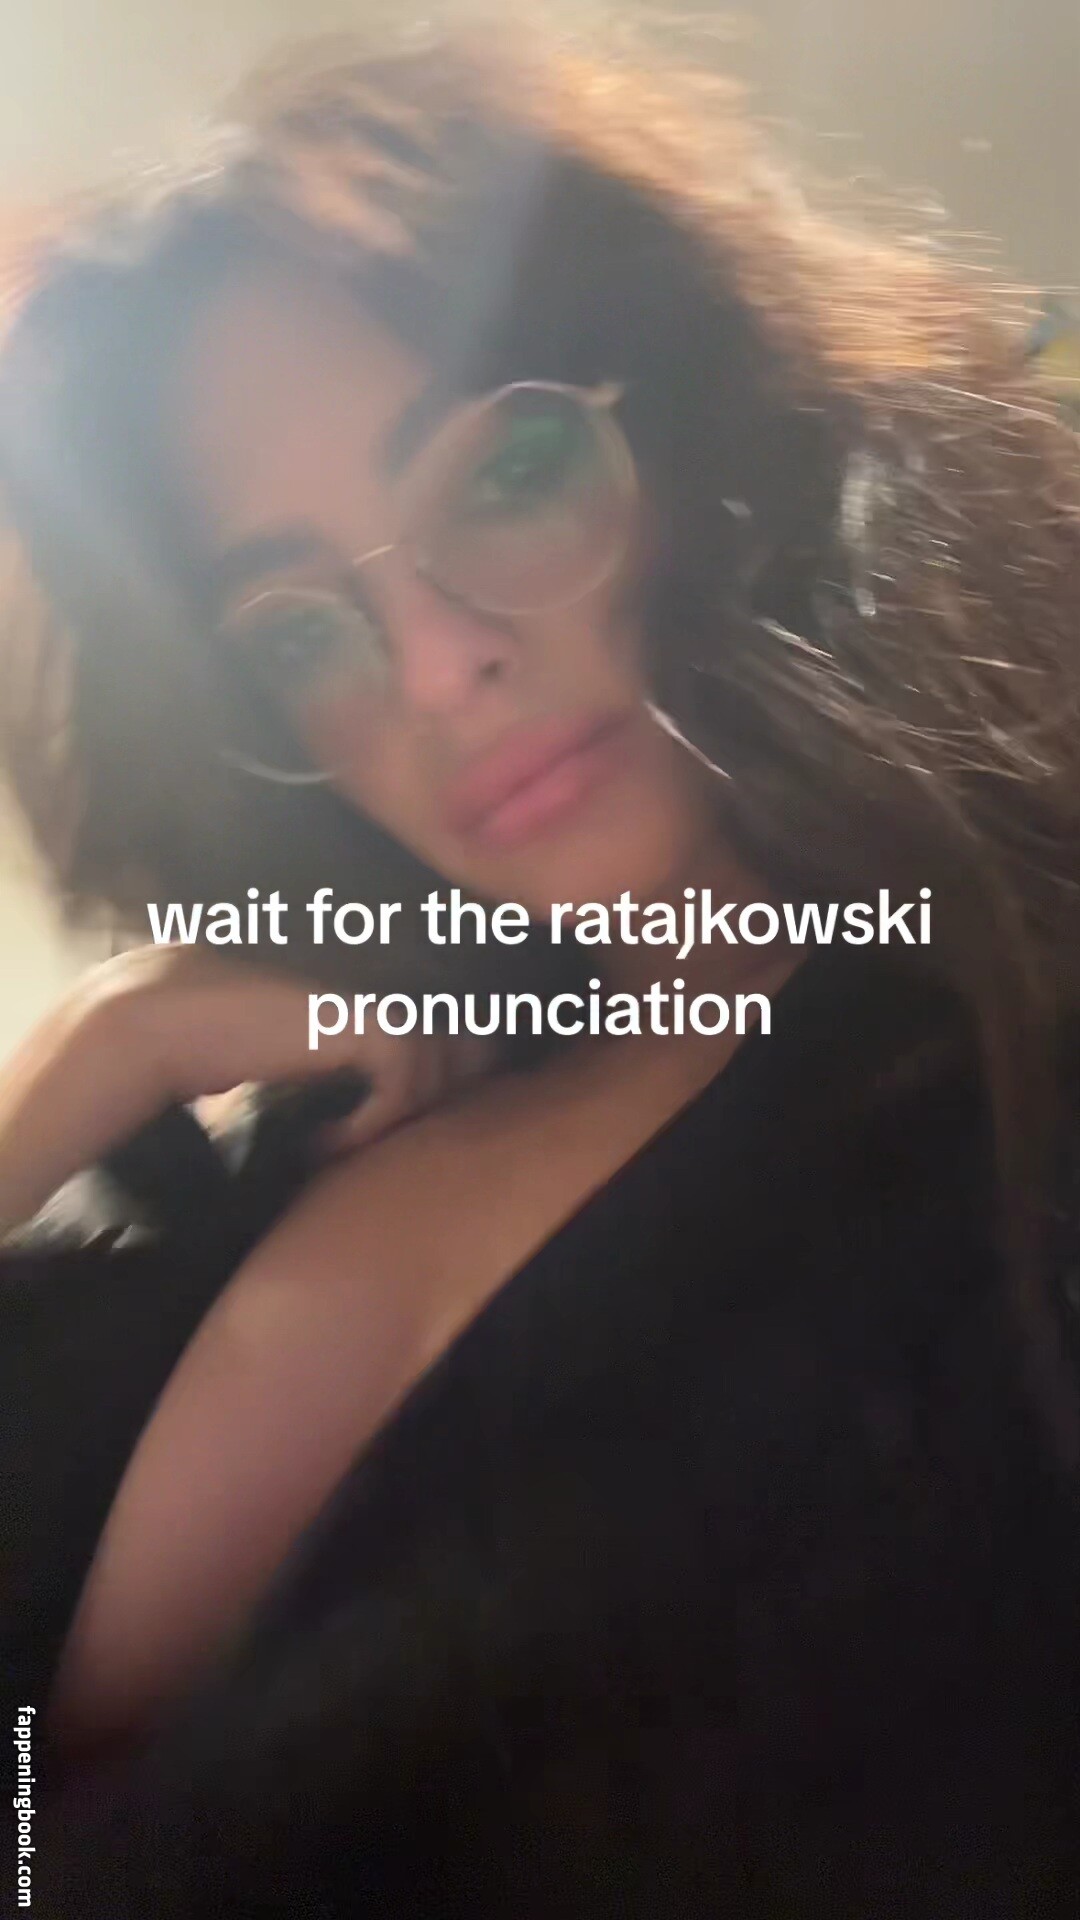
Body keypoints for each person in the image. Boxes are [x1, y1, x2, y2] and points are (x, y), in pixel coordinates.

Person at [0, 21, 1078, 1913]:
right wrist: (67, 1077)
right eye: (298, 630)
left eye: (503, 473)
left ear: (705, 436)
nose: (434, 669)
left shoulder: (1003, 1070)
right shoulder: (288, 1121)